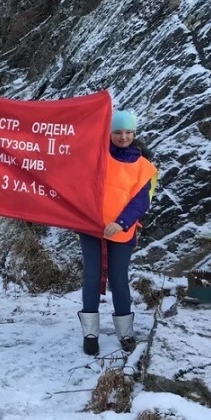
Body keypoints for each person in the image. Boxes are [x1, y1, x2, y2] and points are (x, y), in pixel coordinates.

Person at [77, 110, 157, 356]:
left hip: (122, 231)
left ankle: (125, 332)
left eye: (128, 132)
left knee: (119, 280)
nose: (123, 137)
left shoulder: (144, 167)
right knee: (91, 277)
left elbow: (141, 201)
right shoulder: (96, 157)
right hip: (91, 227)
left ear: (134, 133)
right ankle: (90, 333)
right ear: (109, 134)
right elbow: (80, 184)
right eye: (117, 132)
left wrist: (121, 222)